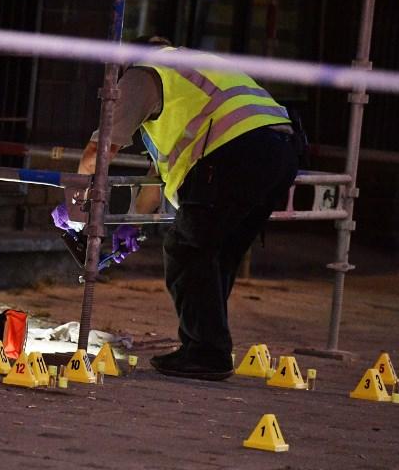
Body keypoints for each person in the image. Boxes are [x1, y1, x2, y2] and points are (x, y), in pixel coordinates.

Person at [53, 37, 299, 380]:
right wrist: (134, 225)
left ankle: (206, 352)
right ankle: (207, 347)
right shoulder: (193, 68)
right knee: (217, 255)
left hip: (234, 152)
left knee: (187, 247)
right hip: (280, 151)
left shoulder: (144, 73)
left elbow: (98, 152)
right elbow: (159, 174)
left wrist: (75, 207)